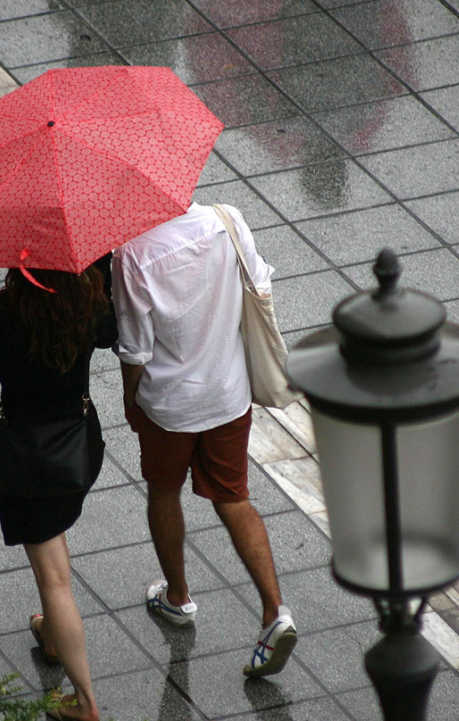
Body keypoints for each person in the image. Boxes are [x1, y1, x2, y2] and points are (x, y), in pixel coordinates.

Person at [112, 202, 297, 678]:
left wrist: (130, 400)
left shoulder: (132, 254)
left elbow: (136, 348)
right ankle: (275, 611)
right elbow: (259, 284)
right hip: (228, 393)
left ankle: (178, 598)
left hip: (171, 405)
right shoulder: (228, 218)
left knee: (164, 492)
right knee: (234, 499)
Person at [0, 256, 116, 721]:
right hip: (78, 448)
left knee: (53, 578)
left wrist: (0, 430)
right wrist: (103, 268)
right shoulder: (88, 301)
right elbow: (113, 337)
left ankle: (85, 702)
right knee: (52, 536)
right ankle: (52, 636)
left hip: (29, 458)